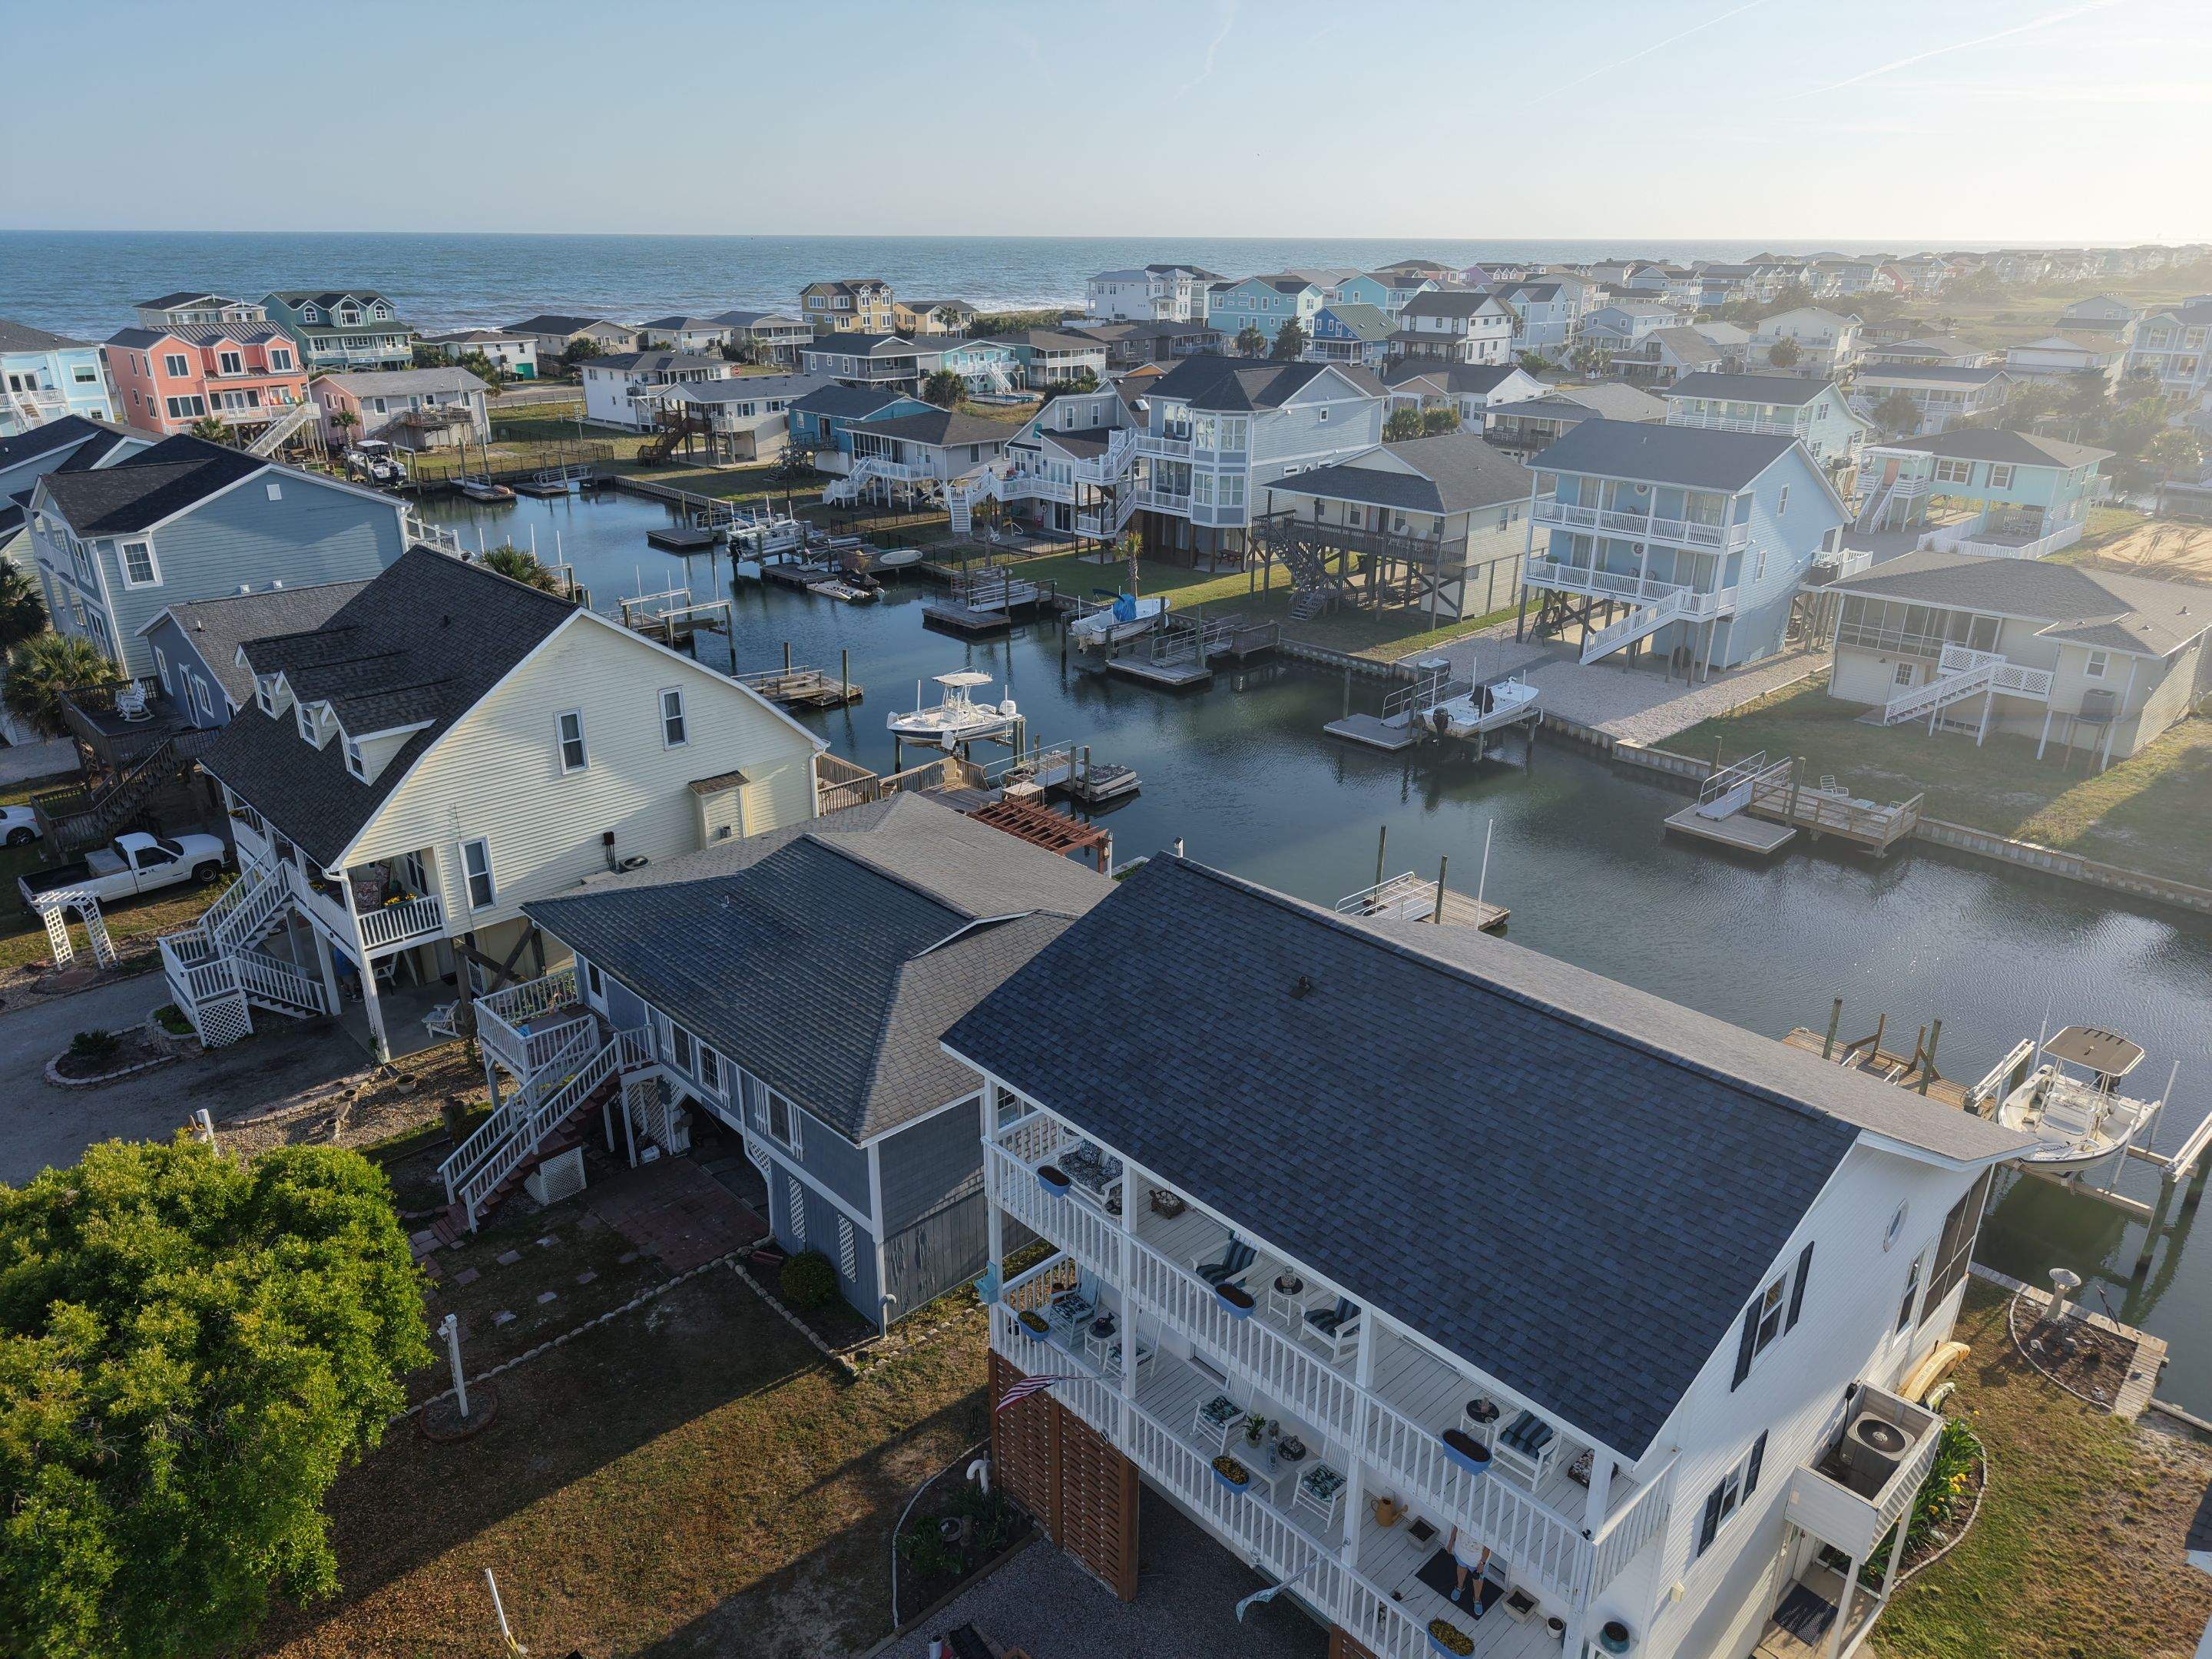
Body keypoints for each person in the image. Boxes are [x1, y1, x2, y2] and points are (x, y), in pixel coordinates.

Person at [1448, 1523, 1490, 1603]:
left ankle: (1477, 1599)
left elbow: (1488, 1548)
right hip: (1462, 1553)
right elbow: (1456, 1526)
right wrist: (1451, 1542)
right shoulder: (1465, 1513)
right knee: (1461, 1569)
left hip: (1477, 1561)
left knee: (1478, 1580)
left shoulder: (1487, 1526)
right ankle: (1460, 1587)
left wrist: (1482, 1563)